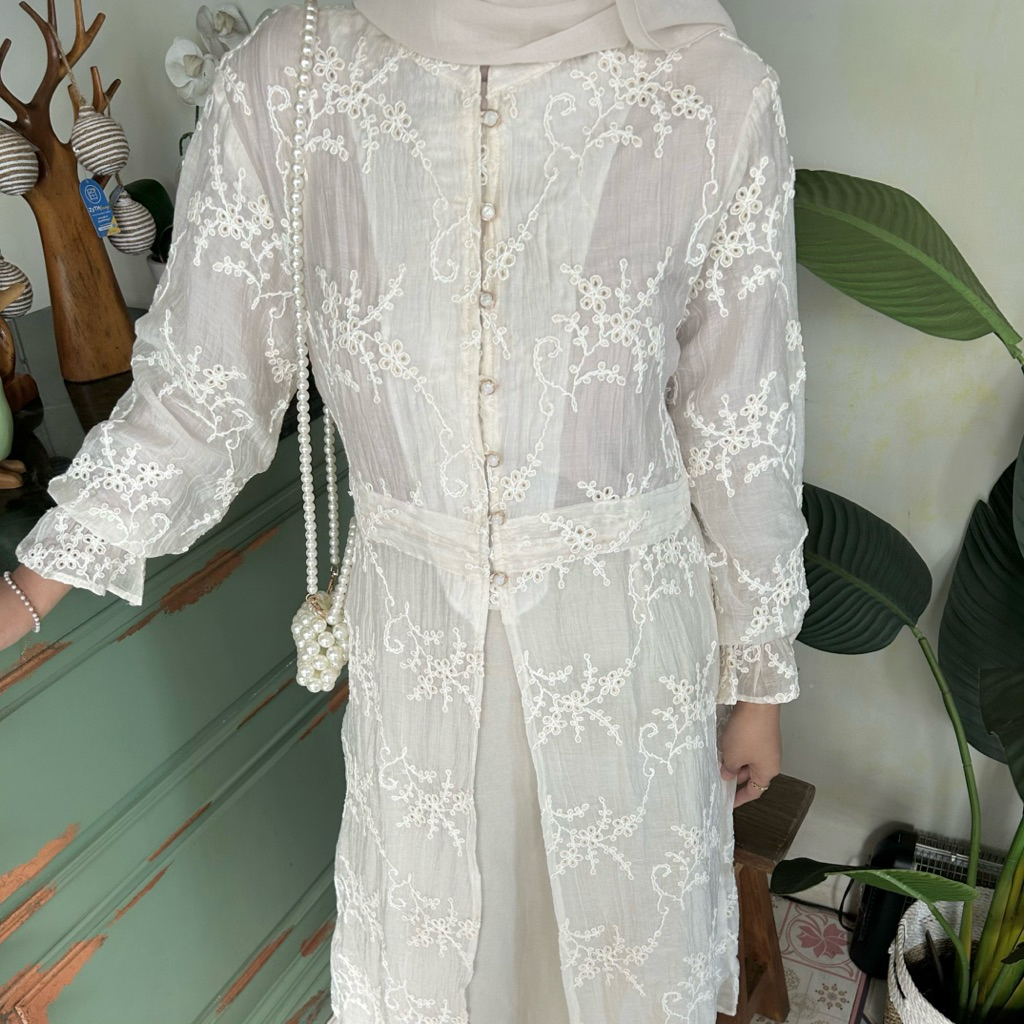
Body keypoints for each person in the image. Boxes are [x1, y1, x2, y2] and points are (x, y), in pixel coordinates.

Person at [2, 1, 810, 1021]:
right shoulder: (290, 77)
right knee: (439, 966)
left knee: (622, 963)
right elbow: (203, 392)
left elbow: (739, 418)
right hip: (420, 648)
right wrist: (26, 590)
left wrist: (758, 678)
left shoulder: (710, 88)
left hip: (628, 651)